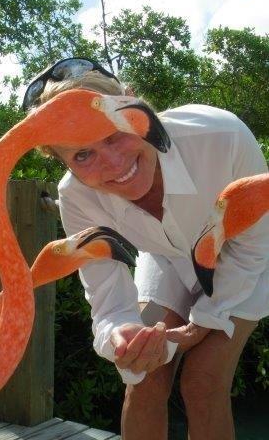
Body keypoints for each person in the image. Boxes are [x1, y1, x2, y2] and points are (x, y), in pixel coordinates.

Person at [22, 57, 269, 440]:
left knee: (203, 381)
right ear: (62, 161)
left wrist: (201, 324)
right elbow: (108, 300)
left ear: (135, 104)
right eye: (82, 155)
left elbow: (254, 245)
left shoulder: (220, 136)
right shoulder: (76, 197)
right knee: (144, 377)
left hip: (244, 256)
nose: (114, 163)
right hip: (166, 257)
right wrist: (122, 336)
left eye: (114, 132)